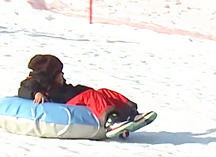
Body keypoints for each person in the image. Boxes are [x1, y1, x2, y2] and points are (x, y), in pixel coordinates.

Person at [18, 54, 152, 135]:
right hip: (62, 107)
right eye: (60, 73)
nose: (63, 75)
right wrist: (37, 93)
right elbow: (24, 88)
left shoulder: (60, 85)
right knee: (90, 95)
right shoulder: (36, 83)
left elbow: (71, 91)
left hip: (70, 101)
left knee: (102, 92)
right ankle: (111, 122)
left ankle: (131, 114)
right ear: (52, 75)